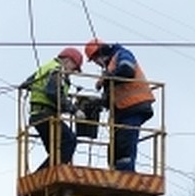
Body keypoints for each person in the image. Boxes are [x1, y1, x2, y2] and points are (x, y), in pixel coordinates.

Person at [84, 39, 154, 172]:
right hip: (123, 109)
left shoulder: (122, 54)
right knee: (115, 146)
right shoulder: (110, 66)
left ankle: (126, 173)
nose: (97, 64)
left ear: (101, 52)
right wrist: (97, 102)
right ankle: (117, 170)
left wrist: (106, 78)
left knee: (125, 142)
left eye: (95, 59)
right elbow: (110, 96)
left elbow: (127, 70)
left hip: (134, 105)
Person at [22, 47, 82, 170]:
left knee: (57, 151)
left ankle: (43, 175)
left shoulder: (47, 67)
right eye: (74, 68)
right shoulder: (56, 70)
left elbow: (27, 82)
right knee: (69, 142)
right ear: (67, 61)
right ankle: (41, 175)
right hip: (46, 115)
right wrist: (74, 110)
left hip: (38, 115)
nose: (73, 72)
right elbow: (53, 92)